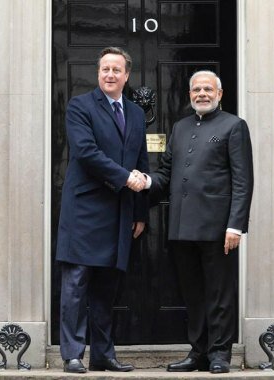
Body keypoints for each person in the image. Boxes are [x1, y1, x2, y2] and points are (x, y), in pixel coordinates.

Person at [142, 70, 253, 373]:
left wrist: (235, 225)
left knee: (219, 295)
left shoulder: (234, 126)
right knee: (193, 295)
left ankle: (219, 354)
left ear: (220, 94)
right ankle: (198, 352)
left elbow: (243, 181)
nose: (201, 94)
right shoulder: (179, 127)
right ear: (190, 94)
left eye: (208, 89)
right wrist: (145, 183)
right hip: (181, 228)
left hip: (218, 229)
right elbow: (166, 173)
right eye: (196, 90)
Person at [55, 47, 149, 373]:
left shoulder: (136, 114)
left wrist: (140, 213)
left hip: (120, 211)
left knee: (107, 288)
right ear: (98, 74)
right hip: (85, 209)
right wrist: (125, 178)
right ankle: (71, 354)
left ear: (126, 76)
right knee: (76, 285)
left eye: (116, 70)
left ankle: (103, 355)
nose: (110, 74)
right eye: (105, 69)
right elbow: (84, 152)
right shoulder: (80, 106)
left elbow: (141, 161)